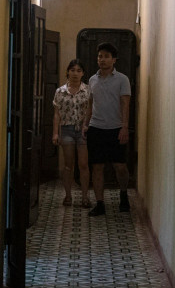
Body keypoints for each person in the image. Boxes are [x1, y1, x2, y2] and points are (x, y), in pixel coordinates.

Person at [83, 42, 131, 216]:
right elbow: (90, 104)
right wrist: (85, 124)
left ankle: (124, 195)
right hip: (96, 128)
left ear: (114, 59)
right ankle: (100, 203)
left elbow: (125, 104)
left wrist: (124, 127)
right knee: (97, 167)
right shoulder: (92, 79)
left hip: (116, 128)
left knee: (120, 167)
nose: (102, 60)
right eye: (99, 56)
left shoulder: (122, 79)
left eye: (106, 56)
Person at [52, 59, 92, 208]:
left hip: (83, 129)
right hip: (67, 129)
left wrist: (86, 125)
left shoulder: (87, 90)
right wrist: (55, 133)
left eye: (78, 70)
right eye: (72, 70)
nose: (75, 73)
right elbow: (57, 114)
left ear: (83, 73)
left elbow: (90, 110)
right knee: (68, 165)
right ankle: (68, 195)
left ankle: (85, 197)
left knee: (83, 164)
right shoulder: (60, 91)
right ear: (68, 71)